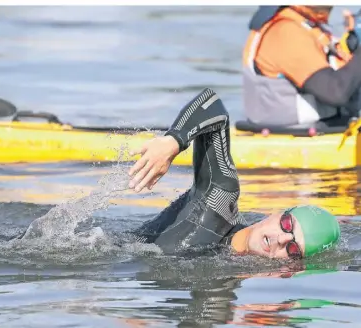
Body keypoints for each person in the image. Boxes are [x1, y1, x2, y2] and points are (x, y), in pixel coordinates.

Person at [127, 88, 340, 259]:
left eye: (293, 250)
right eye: (287, 225)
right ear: (277, 213)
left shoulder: (230, 284)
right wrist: (174, 141)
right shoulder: (219, 201)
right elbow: (212, 105)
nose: (282, 239)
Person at [241, 5, 361, 126]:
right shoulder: (286, 32)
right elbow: (336, 92)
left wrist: (356, 42)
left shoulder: (312, 28)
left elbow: (347, 82)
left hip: (327, 131)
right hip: (290, 143)